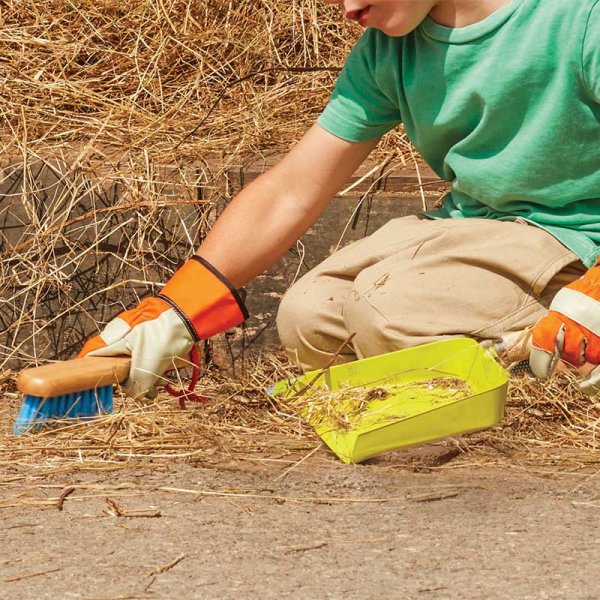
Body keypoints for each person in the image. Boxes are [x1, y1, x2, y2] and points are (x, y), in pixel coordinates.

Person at [79, 0, 600, 398]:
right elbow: (292, 189)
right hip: (477, 228)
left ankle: (565, 349)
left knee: (388, 313)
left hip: (576, 243)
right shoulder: (388, 48)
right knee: (309, 316)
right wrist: (176, 309)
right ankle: (506, 352)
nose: (347, 7)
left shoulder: (579, 20)